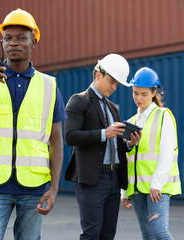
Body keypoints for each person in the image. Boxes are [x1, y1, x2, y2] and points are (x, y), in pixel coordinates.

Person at [0, 8, 67, 240]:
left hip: (35, 188)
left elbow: (56, 139)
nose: (14, 43)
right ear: (2, 43)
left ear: (34, 42)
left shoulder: (49, 86)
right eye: (8, 38)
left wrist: (54, 188)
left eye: (21, 38)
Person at [64, 53, 139, 240]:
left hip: (113, 178)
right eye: (112, 82)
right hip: (92, 179)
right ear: (98, 74)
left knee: (107, 234)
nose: (114, 87)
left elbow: (114, 143)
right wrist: (104, 133)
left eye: (117, 84)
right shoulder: (78, 100)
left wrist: (128, 145)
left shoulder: (113, 108)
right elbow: (70, 136)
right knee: (92, 233)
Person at [121, 67, 182, 240]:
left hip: (157, 187)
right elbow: (128, 159)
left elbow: (166, 152)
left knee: (160, 233)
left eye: (144, 94)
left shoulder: (164, 116)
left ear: (154, 92)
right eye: (135, 93)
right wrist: (125, 192)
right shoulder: (131, 122)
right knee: (147, 235)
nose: (138, 98)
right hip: (137, 189)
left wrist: (157, 183)